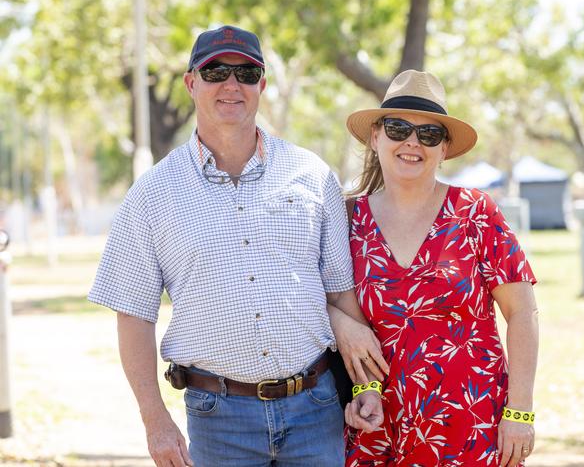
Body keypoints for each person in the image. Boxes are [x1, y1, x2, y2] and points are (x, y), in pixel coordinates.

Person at [89, 25, 388, 467]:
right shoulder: (152, 194)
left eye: (246, 73)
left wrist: (365, 386)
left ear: (262, 86)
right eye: (216, 71)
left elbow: (340, 294)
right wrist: (155, 421)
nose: (232, 84)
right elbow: (134, 314)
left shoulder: (311, 174)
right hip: (217, 418)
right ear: (192, 83)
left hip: (316, 409)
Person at [343, 70, 539, 467]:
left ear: (444, 148)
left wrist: (520, 413)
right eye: (398, 128)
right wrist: (357, 377)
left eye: (429, 134)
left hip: (473, 422)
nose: (412, 142)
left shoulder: (475, 213)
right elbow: (335, 305)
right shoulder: (349, 219)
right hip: (378, 424)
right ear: (376, 137)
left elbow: (522, 312)